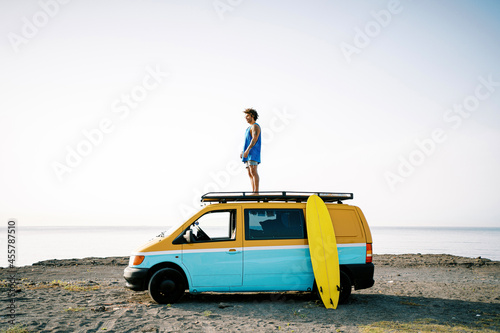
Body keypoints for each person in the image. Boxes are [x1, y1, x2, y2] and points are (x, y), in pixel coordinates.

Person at [240, 108, 261, 193]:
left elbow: (254, 139)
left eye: (247, 116)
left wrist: (248, 150)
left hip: (253, 153)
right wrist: (243, 151)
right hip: (247, 153)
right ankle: (253, 191)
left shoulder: (255, 126)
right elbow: (247, 141)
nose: (246, 118)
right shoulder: (248, 128)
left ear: (252, 116)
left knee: (253, 171)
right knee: (249, 173)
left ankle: (256, 192)